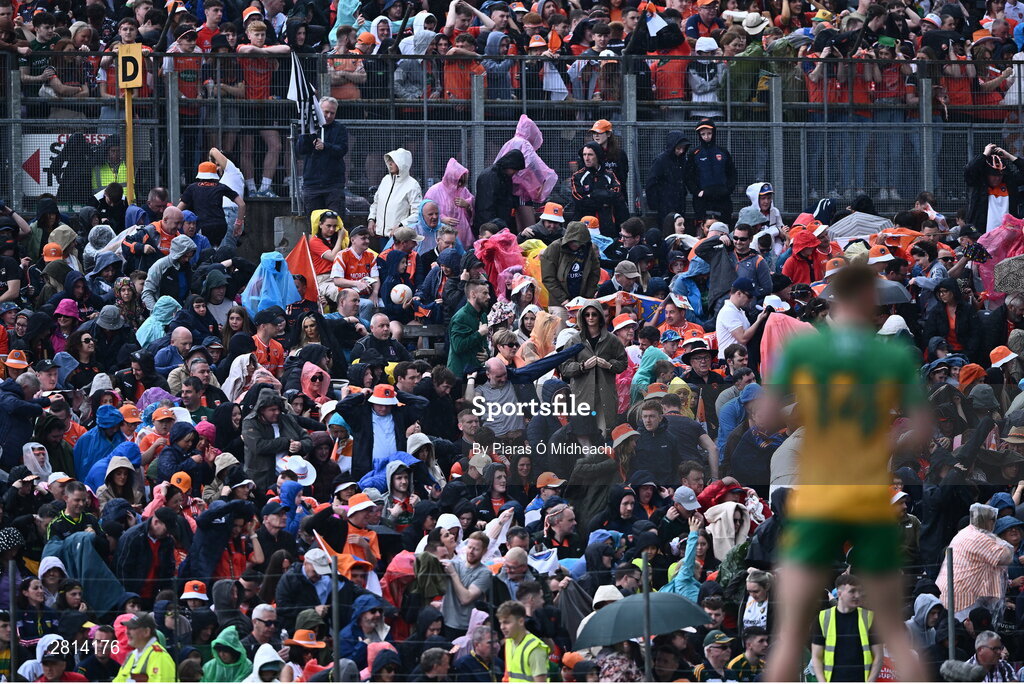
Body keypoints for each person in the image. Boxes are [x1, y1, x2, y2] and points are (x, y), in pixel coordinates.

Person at [764, 265, 927, 683]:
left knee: (791, 634)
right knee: (893, 629)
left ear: (834, 303)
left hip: (818, 499)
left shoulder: (807, 352)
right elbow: (923, 429)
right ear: (874, 306)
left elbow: (764, 418)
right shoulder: (892, 355)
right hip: (869, 498)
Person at [297, 97, 349, 216]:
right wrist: (305, 134)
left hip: (333, 184)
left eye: (332, 113)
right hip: (312, 184)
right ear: (319, 111)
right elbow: (300, 150)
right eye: (326, 112)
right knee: (315, 224)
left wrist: (326, 146)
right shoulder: (310, 128)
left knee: (336, 223)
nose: (329, 116)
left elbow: (342, 149)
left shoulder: (340, 129)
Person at [113, 612, 177, 682]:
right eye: (127, 628)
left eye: (132, 628)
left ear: (146, 632)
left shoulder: (159, 656)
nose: (127, 632)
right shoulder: (132, 656)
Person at [497, 600, 548, 682]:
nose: (502, 627)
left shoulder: (535, 649)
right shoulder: (509, 642)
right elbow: (508, 677)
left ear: (521, 621)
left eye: (506, 622)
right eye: (501, 623)